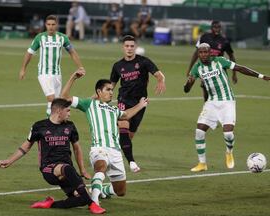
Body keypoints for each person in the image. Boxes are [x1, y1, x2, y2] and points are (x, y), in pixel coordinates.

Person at [0, 98, 105, 214]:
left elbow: (77, 148)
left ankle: (50, 204)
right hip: (49, 168)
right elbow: (26, 147)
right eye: (67, 111)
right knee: (67, 169)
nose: (70, 114)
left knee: (80, 199)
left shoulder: (70, 126)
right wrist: (10, 160)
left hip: (68, 170)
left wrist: (82, 170)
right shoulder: (39, 126)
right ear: (59, 111)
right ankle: (92, 204)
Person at [61, 71, 149, 205]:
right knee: (100, 167)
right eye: (108, 90)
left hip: (115, 152)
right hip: (99, 148)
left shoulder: (114, 110)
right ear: (99, 91)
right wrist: (73, 77)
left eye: (112, 90)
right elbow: (64, 97)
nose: (111, 92)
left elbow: (125, 115)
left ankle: (99, 190)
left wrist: (140, 105)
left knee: (120, 191)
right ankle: (94, 202)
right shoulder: (89, 104)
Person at [184, 43, 269, 172]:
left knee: (228, 133)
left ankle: (229, 152)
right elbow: (186, 90)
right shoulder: (197, 68)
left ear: (210, 53)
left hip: (227, 101)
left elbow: (240, 68)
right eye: (200, 52)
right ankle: (202, 164)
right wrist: (188, 84)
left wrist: (261, 76)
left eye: (205, 52)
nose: (203, 54)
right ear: (198, 54)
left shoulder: (220, 61)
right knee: (199, 131)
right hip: (211, 103)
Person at [110, 35, 166, 173]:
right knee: (123, 127)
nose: (129, 48)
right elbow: (111, 85)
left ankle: (113, 153)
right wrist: (104, 97)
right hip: (123, 101)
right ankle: (132, 163)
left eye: (131, 46)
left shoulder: (144, 62)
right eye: (127, 46)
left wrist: (160, 81)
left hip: (140, 102)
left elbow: (159, 74)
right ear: (123, 47)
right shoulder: (118, 66)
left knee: (128, 136)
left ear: (135, 47)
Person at [19, 15, 85, 116]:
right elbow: (29, 53)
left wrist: (80, 67)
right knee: (51, 98)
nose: (51, 27)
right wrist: (23, 69)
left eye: (53, 24)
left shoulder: (62, 38)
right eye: (49, 24)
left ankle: (50, 122)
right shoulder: (40, 38)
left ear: (57, 25)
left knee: (56, 102)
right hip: (44, 73)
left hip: (57, 74)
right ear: (45, 25)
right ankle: (50, 123)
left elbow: (72, 52)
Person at [186, 20, 237, 101]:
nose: (217, 29)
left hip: (219, 69)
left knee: (221, 90)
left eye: (219, 27)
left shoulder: (224, 41)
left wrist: (234, 74)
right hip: (205, 67)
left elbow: (231, 56)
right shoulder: (204, 37)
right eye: (215, 27)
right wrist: (190, 68)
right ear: (211, 28)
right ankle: (207, 105)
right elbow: (196, 53)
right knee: (205, 87)